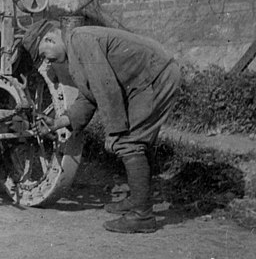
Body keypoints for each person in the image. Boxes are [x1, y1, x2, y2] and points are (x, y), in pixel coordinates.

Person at [22, 20, 181, 233]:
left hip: (155, 77)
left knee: (130, 142)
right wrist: (58, 123)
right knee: (135, 142)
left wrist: (114, 131)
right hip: (146, 78)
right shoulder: (75, 49)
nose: (47, 62)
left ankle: (142, 215)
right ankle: (138, 201)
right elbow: (89, 97)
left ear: (50, 39)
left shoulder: (80, 40)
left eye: (43, 55)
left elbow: (105, 88)